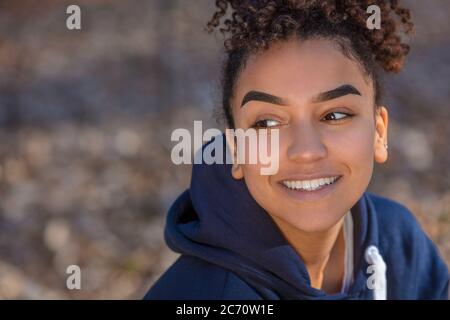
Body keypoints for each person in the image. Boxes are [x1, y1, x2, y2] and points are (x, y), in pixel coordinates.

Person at [145, 0, 449, 299]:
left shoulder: (398, 243)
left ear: (379, 133)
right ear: (235, 150)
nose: (305, 151)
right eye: (267, 122)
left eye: (335, 115)